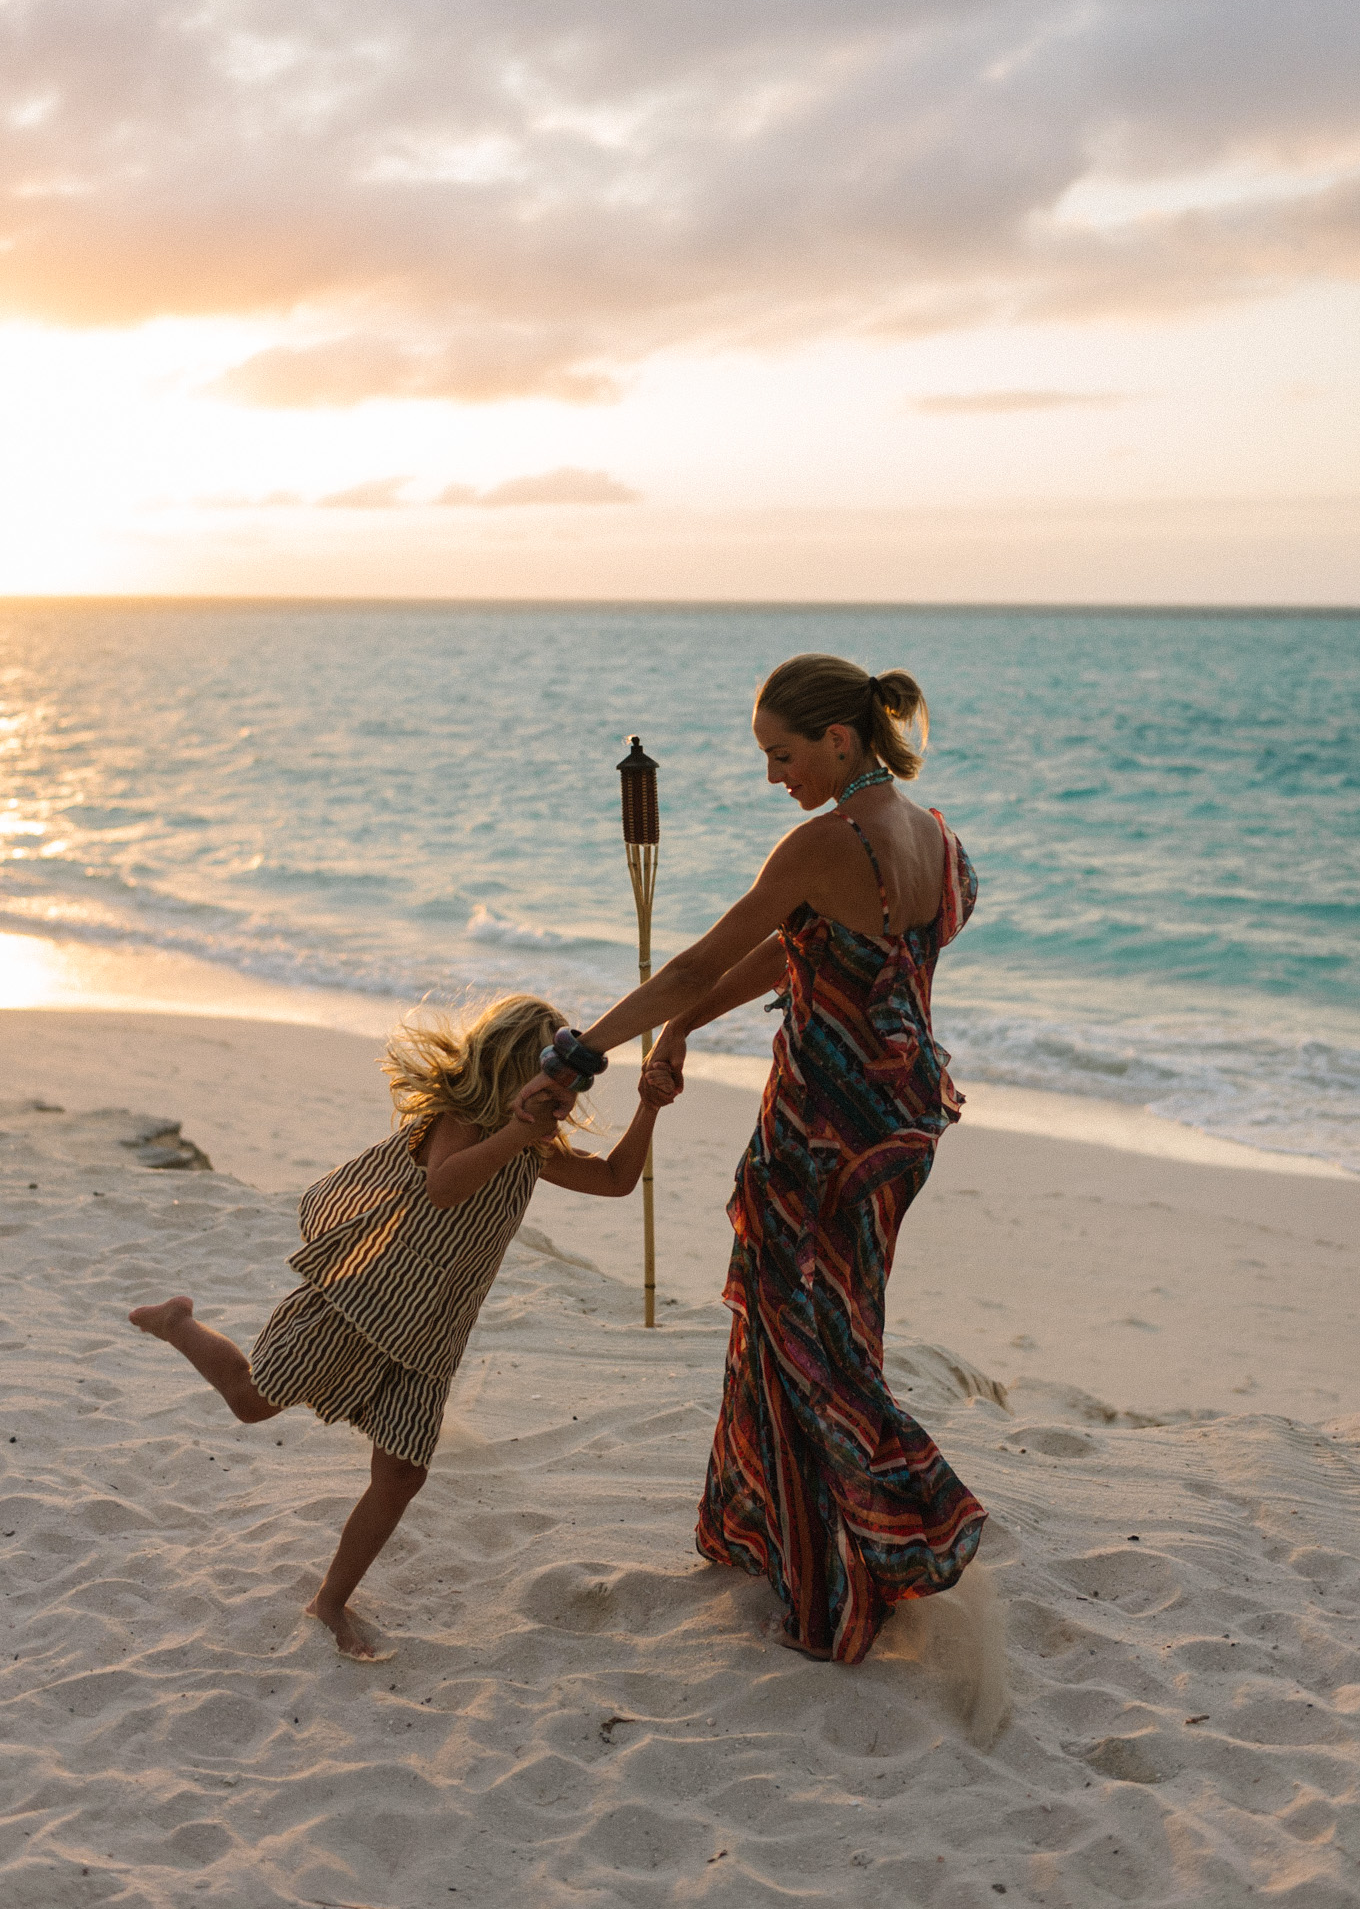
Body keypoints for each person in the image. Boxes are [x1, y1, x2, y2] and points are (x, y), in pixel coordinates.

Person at [520, 654, 986, 1662]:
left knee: (806, 1343)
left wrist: (581, 1050)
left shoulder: (827, 840)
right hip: (900, 1125)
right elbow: (807, 951)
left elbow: (700, 952)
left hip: (820, 1132)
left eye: (782, 756)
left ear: (838, 739)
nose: (774, 777)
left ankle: (902, 1533)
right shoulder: (934, 837)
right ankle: (775, 1542)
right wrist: (685, 1025)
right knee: (818, 1328)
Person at [130, 993, 676, 1660]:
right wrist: (517, 1134)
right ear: (507, 1070)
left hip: (429, 1335)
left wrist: (649, 1106)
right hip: (360, 1304)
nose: (563, 1092)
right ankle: (177, 1322)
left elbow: (618, 1180)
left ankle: (330, 1601)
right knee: (251, 1402)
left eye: (571, 1080)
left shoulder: (534, 1148)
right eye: (554, 1075)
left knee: (400, 1477)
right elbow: (446, 1185)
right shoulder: (462, 1120)